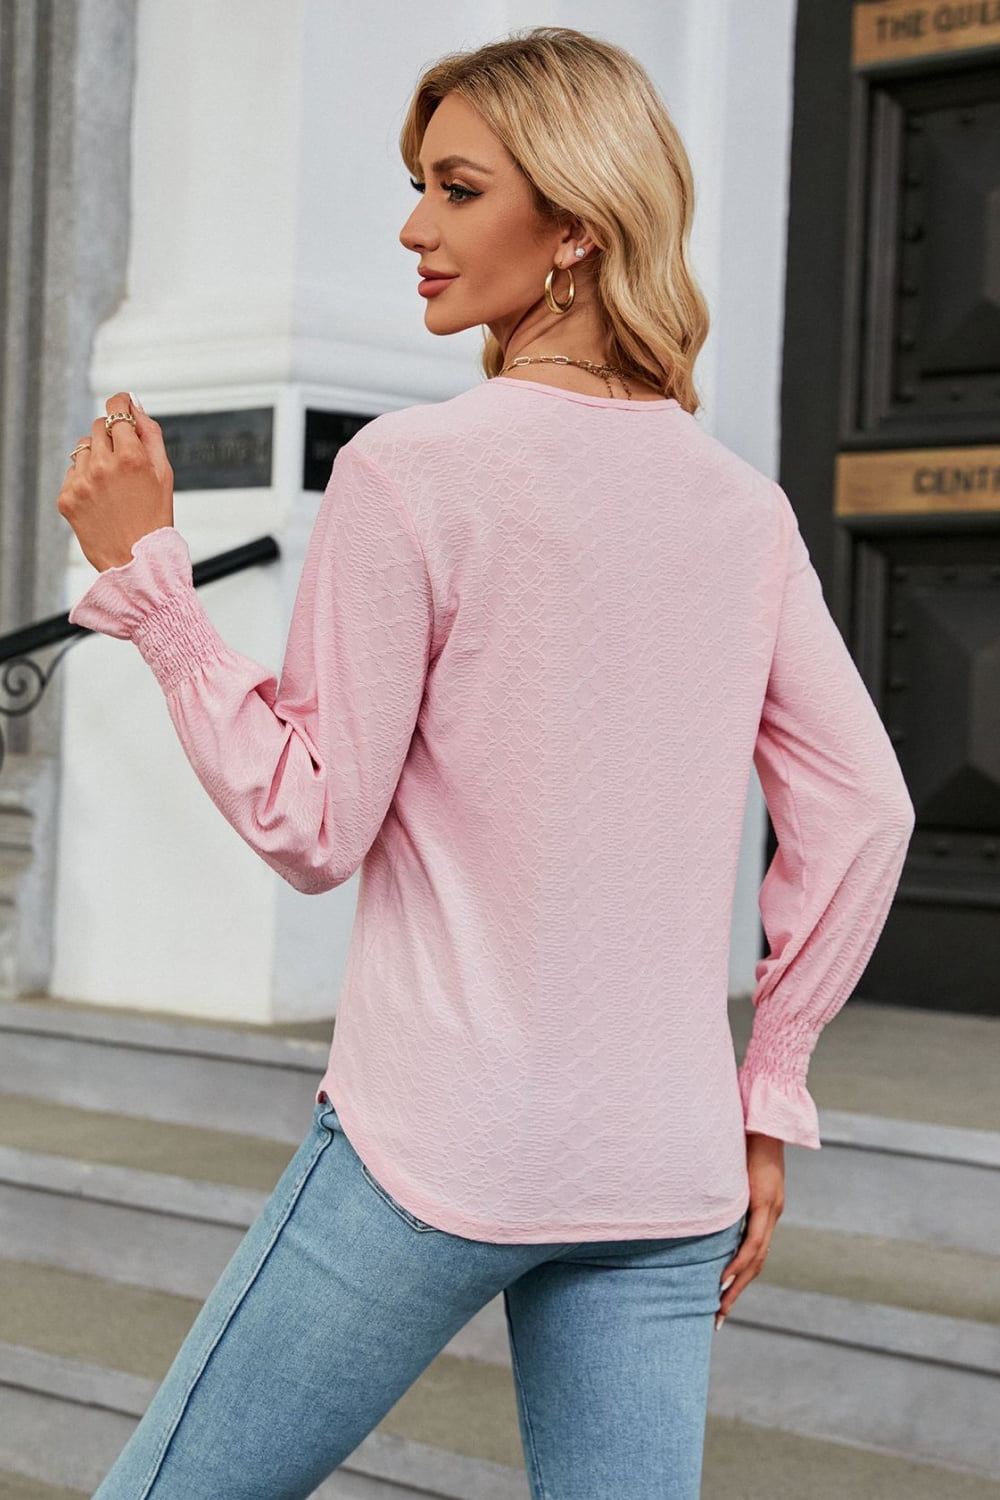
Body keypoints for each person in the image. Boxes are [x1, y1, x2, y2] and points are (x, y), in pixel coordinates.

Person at [58, 24, 915, 1500]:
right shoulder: (743, 510)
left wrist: (154, 586)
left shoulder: (412, 472)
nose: (414, 228)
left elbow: (311, 821)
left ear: (575, 226)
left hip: (432, 1151)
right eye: (420, 186)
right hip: (665, 1171)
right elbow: (868, 812)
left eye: (457, 189)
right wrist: (767, 1090)